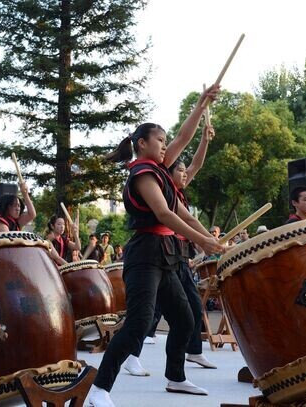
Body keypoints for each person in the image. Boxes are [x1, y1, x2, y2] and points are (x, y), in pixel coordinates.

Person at [87, 84, 224, 407]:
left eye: (165, 141)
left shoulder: (161, 172)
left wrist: (202, 103)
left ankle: (176, 378)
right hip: (145, 256)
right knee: (137, 323)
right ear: (141, 144)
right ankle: (99, 389)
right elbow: (163, 213)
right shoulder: (143, 175)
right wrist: (202, 239)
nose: (166, 146)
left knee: (184, 318)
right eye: (159, 141)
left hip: (166, 256)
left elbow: (183, 141)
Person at [127, 125, 218, 376]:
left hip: (173, 254)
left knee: (185, 311)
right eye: (180, 170)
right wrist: (204, 239)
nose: (186, 174)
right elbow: (165, 216)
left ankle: (188, 359)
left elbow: (196, 165)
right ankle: (131, 356)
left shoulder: (173, 191)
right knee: (147, 315)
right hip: (154, 253)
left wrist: (204, 139)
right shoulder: (152, 180)